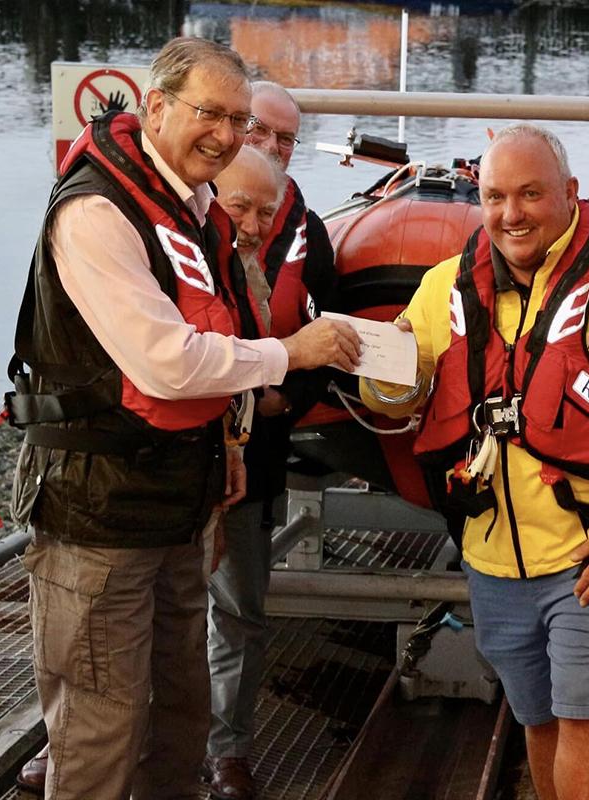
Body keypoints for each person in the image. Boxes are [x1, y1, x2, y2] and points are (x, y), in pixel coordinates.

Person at [6, 37, 360, 800]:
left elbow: (216, 331)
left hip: (179, 501)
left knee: (180, 713)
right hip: (98, 513)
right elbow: (165, 360)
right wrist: (288, 353)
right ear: (157, 107)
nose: (228, 135)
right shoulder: (98, 211)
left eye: (239, 119)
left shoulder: (193, 208)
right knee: (101, 730)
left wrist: (231, 434)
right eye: (211, 114)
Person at [362, 123, 589, 799]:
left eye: (529, 194)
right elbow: (392, 403)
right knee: (538, 718)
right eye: (494, 196)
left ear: (572, 193)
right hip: (491, 559)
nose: (510, 213)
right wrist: (380, 366)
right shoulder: (442, 287)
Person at [202, 81, 340, 800]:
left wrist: (290, 395)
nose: (270, 147)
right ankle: (90, 736)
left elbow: (327, 335)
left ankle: (227, 749)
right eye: (259, 129)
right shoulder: (172, 227)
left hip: (251, 454)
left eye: (286, 139)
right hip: (169, 454)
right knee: (130, 608)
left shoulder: (306, 234)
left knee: (240, 610)